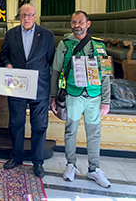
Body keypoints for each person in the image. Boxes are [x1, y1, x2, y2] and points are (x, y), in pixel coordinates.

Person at [50, 11, 111, 188]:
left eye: (81, 22)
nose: (77, 25)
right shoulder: (64, 44)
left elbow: (106, 73)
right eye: (74, 22)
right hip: (73, 94)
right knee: (71, 131)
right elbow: (55, 71)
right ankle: (71, 164)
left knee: (94, 133)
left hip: (94, 95)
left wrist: (106, 100)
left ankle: (94, 169)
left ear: (88, 24)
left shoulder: (100, 45)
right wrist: (53, 96)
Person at [0, 4, 55, 178]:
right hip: (18, 87)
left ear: (35, 16)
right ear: (19, 16)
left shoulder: (47, 35)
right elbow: (3, 55)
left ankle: (37, 162)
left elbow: (51, 60)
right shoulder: (11, 34)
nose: (26, 18)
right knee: (16, 123)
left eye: (29, 15)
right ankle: (16, 157)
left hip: (40, 88)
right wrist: (7, 64)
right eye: (23, 15)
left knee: (39, 126)